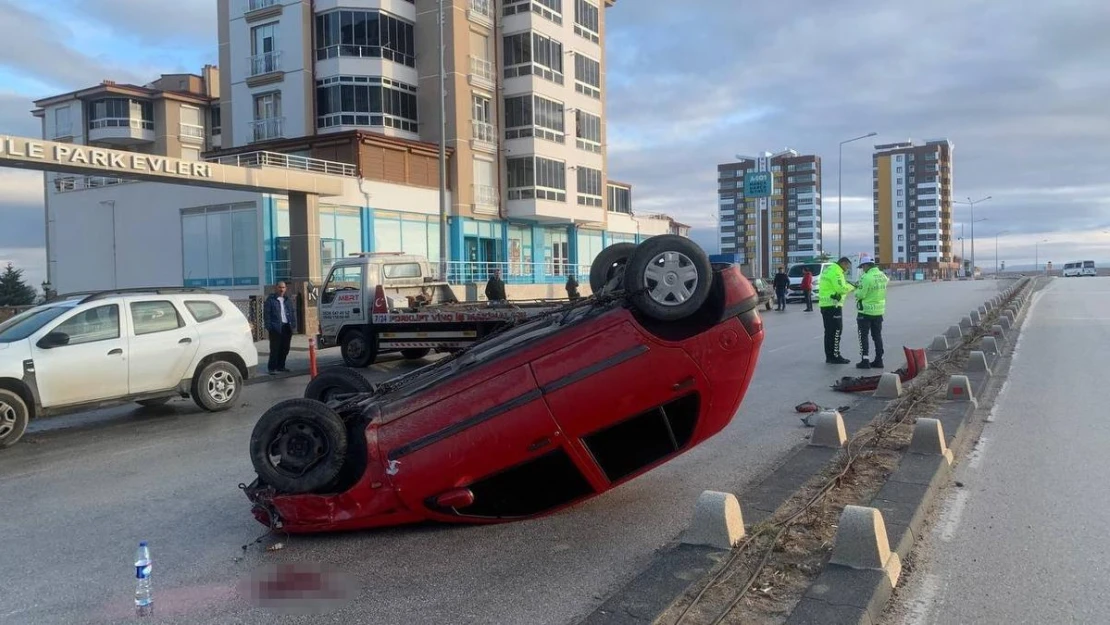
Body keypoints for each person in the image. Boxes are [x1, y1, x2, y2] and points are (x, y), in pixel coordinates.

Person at [854, 254, 890, 369]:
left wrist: (856, 290)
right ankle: (879, 360)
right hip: (879, 311)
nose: (862, 269)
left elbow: (860, 294)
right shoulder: (882, 276)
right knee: (877, 336)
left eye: (862, 267)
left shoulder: (866, 277)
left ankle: (865, 360)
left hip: (865, 311)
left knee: (863, 336)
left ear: (866, 265)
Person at [818, 257, 855, 364]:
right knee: (836, 331)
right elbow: (841, 289)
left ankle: (829, 356)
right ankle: (835, 356)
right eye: (847, 266)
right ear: (843, 263)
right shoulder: (836, 272)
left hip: (826, 304)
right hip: (833, 305)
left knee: (829, 332)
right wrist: (852, 287)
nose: (847, 269)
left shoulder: (829, 269)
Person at [263, 282, 297, 375]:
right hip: (276, 328)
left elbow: (292, 312)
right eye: (280, 287)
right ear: (276, 288)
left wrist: (293, 325)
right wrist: (269, 327)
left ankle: (281, 366)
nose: (281, 289)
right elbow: (267, 315)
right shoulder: (271, 300)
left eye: (283, 287)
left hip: (287, 327)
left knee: (285, 348)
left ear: (286, 288)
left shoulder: (287, 300)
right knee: (275, 349)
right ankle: (272, 368)